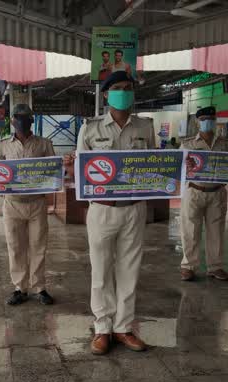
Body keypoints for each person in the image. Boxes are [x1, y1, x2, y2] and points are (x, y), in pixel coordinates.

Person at [64, 71, 155, 355]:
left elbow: (154, 164)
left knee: (130, 270)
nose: (124, 92)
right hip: (102, 209)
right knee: (101, 271)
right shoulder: (90, 129)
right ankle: (102, 328)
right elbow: (81, 172)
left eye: (128, 88)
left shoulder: (145, 127)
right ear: (105, 95)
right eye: (117, 88)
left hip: (134, 208)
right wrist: (72, 167)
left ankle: (123, 327)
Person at [0, 104, 56, 306]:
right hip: (12, 204)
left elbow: (53, 171)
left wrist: (62, 167)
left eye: (26, 117)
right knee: (15, 246)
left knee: (39, 246)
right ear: (12, 120)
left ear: (32, 120)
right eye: (18, 117)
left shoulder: (44, 144)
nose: (22, 120)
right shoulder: (2, 146)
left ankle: (40, 287)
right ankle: (20, 288)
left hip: (37, 202)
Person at [179, 106, 228, 282]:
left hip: (217, 192)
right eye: (203, 119)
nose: (206, 122)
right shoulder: (187, 144)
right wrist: (185, 165)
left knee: (216, 231)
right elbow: (178, 168)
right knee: (190, 230)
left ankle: (215, 267)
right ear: (197, 122)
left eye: (210, 118)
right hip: (194, 191)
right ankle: (188, 267)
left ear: (215, 121)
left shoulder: (224, 144)